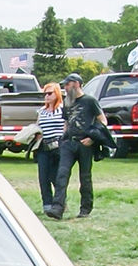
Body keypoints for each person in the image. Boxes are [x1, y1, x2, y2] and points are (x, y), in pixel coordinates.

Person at [44, 73, 106, 220]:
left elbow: (102, 120)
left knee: (85, 177)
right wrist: (63, 139)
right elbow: (66, 122)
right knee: (62, 174)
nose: (65, 87)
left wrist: (92, 137)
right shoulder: (67, 102)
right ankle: (57, 208)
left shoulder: (90, 101)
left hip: (85, 144)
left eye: (67, 84)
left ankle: (85, 209)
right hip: (68, 143)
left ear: (76, 84)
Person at [34, 82, 65, 213]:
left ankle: (60, 203)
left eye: (49, 93)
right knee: (43, 176)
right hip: (44, 147)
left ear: (56, 94)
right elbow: (37, 126)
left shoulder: (63, 110)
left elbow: (66, 126)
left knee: (57, 176)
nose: (46, 96)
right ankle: (47, 204)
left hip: (59, 147)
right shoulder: (41, 111)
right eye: (45, 94)